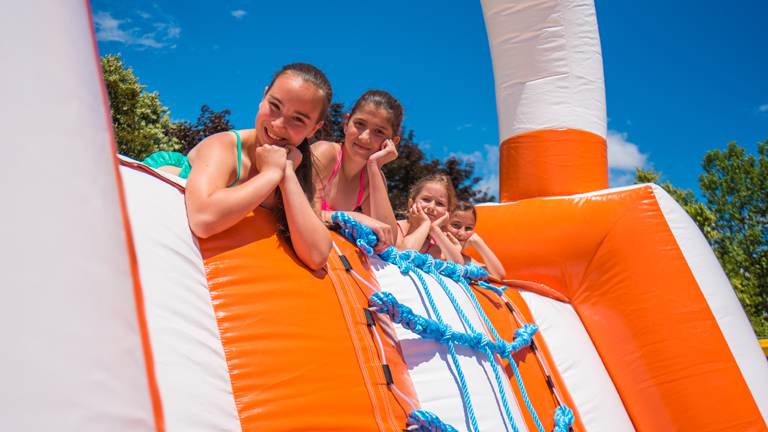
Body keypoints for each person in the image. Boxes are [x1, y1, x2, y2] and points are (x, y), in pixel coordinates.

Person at [143, 63, 332, 270]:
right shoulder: (225, 146)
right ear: (264, 97)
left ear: (314, 128)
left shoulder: (298, 168)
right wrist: (271, 174)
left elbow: (317, 255)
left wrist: (286, 173)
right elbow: (202, 220)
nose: (278, 124)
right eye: (275, 106)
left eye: (297, 119)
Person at [311, 90, 402, 253]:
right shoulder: (325, 153)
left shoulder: (371, 178)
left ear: (392, 142)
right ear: (346, 124)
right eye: (360, 124)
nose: (365, 137)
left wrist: (375, 166)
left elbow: (389, 239)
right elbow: (294, 208)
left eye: (379, 132)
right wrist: (354, 217)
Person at [395, 173, 464, 263]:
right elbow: (405, 252)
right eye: (426, 199)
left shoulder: (431, 246)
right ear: (411, 204)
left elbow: (458, 265)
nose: (431, 207)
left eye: (440, 203)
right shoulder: (395, 227)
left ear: (447, 215)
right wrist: (425, 224)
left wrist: (435, 229)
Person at [442, 201, 506, 280]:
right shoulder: (429, 248)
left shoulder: (464, 259)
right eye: (456, 225)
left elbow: (499, 275)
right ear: (442, 224)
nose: (462, 233)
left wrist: (478, 243)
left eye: (468, 228)